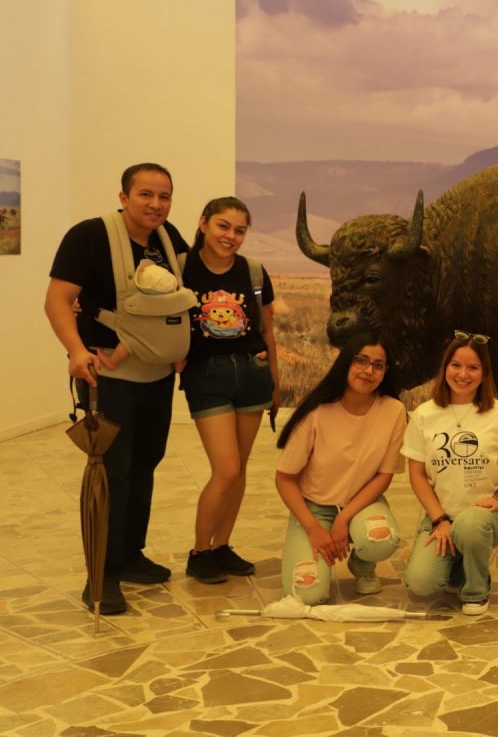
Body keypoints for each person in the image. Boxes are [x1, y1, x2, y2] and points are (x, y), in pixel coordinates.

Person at [45, 163, 190, 615]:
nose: (156, 204)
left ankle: (129, 554)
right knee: (110, 474)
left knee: (145, 464)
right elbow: (57, 300)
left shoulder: (169, 239)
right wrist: (75, 350)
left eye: (164, 196)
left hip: (156, 376)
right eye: (146, 194)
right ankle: (102, 573)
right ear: (124, 197)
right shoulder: (89, 236)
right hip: (107, 376)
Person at [181, 198, 280, 584]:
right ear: (204, 223)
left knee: (239, 469)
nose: (231, 236)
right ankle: (199, 552)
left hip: (252, 373)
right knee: (226, 469)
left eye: (239, 230)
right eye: (223, 226)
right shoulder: (181, 268)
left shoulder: (253, 272)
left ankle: (221, 546)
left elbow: (268, 331)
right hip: (207, 376)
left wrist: (275, 380)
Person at [402, 331, 498, 615]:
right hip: (442, 516)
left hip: (487, 516)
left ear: (484, 374)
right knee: (421, 583)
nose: (463, 374)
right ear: (444, 367)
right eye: (456, 365)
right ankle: (461, 563)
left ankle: (476, 590)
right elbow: (417, 474)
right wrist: (439, 519)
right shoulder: (424, 414)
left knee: (470, 526)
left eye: (473, 367)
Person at [275, 333, 406, 605]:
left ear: (385, 372)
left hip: (360, 503)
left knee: (379, 540)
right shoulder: (316, 411)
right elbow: (284, 479)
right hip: (313, 508)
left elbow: (384, 476)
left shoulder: (394, 411)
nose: (369, 371)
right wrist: (313, 528)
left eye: (378, 365)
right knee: (307, 595)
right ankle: (305, 543)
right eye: (361, 361)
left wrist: (343, 519)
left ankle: (362, 565)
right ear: (346, 362)